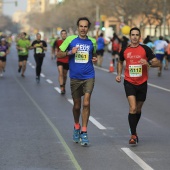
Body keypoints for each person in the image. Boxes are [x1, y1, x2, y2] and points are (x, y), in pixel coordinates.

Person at [57, 17, 97, 146]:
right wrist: (70, 52)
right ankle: (76, 125)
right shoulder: (70, 40)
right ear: (77, 27)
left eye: (85, 26)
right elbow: (59, 54)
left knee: (86, 103)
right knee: (77, 106)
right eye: (81, 26)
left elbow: (93, 54)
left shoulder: (92, 41)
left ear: (88, 28)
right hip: (75, 77)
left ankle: (84, 132)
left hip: (89, 76)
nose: (83, 29)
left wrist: (94, 59)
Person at [115, 27, 160, 145]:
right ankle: (133, 135)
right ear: (130, 36)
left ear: (139, 37)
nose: (134, 37)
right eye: (132, 35)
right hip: (129, 82)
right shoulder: (125, 49)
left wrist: (148, 63)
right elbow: (119, 61)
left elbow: (157, 63)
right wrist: (119, 74)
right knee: (133, 108)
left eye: (136, 35)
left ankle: (133, 127)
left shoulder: (145, 49)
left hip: (142, 82)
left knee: (138, 109)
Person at [53, 30, 69, 94]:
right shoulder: (58, 42)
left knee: (65, 75)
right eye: (62, 34)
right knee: (61, 73)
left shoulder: (69, 42)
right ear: (61, 35)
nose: (64, 35)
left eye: (65, 34)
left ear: (66, 35)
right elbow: (56, 48)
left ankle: (64, 85)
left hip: (67, 60)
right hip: (60, 59)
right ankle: (61, 88)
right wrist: (56, 53)